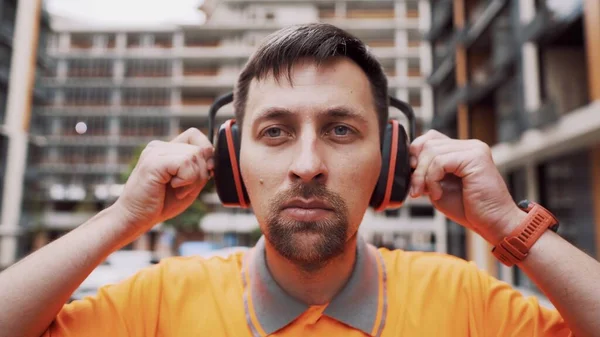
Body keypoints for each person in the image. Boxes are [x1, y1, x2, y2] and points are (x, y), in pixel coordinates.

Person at [0, 23, 599, 337]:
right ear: (232, 164)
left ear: (392, 161)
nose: (307, 164)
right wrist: (122, 219)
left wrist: (508, 224)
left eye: (340, 131)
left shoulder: (466, 302)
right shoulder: (155, 304)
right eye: (276, 132)